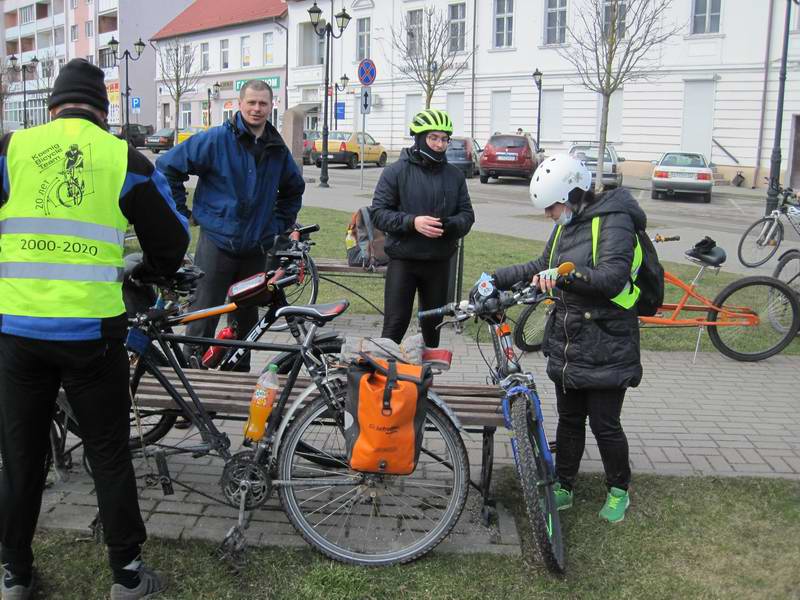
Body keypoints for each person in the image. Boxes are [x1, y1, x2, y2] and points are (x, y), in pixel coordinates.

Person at [0, 58, 189, 599]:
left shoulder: (11, 150)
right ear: (102, 112)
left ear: (53, 105)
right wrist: (148, 271)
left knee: (19, 456)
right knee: (107, 451)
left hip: (18, 332)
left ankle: (13, 574)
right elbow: (173, 238)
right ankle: (127, 575)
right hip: (91, 335)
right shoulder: (121, 157)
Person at [489, 154, 644, 523]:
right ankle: (564, 485)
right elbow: (539, 265)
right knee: (569, 420)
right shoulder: (564, 226)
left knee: (605, 424)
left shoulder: (615, 220)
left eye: (553, 206)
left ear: (573, 194)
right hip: (568, 340)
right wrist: (496, 277)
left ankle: (619, 490)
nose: (549, 215)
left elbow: (611, 278)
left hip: (607, 340)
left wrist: (563, 278)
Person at [156, 80, 304, 370]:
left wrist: (276, 224)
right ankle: (191, 388)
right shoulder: (216, 140)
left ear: (271, 106)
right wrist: (181, 212)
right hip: (217, 245)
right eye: (251, 102)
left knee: (246, 323)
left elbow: (293, 189)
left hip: (254, 250)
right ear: (240, 104)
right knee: (202, 317)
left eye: (262, 103)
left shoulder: (276, 149)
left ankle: (236, 380)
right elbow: (167, 167)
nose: (256, 109)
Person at [370, 109, 475, 347]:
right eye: (433, 138)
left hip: (438, 263)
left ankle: (426, 380)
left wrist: (448, 226)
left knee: (432, 329)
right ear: (419, 139)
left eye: (444, 139)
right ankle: (386, 378)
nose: (439, 144)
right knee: (394, 326)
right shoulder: (395, 172)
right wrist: (412, 222)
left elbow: (467, 216)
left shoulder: (454, 176)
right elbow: (379, 214)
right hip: (404, 261)